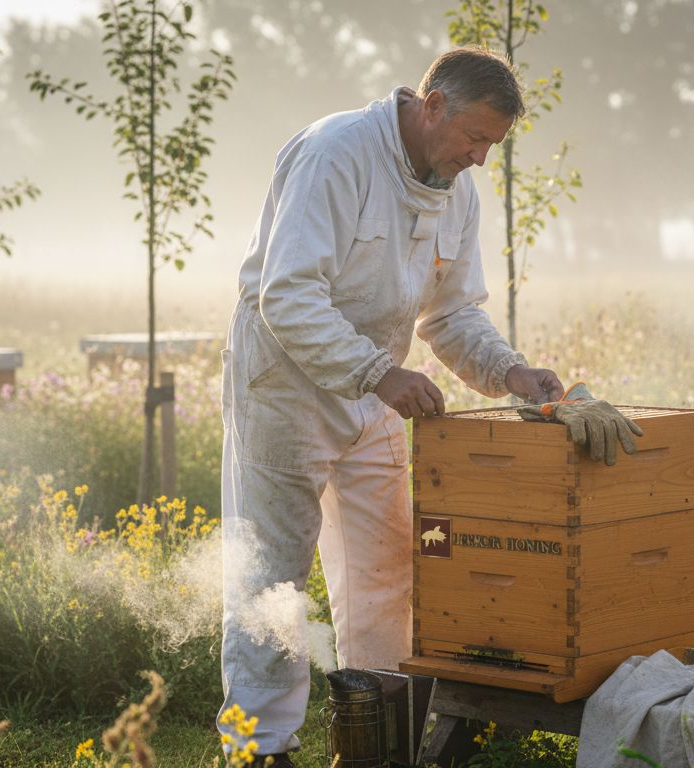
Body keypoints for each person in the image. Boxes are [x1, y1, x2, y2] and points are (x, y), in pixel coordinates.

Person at [218, 47, 565, 765]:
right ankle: (259, 747)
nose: (479, 156)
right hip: (284, 385)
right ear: (431, 104)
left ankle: (375, 740)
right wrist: (378, 372)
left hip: (375, 390)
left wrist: (510, 372)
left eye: (492, 145)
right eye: (475, 137)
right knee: (272, 572)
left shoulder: (456, 191)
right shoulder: (336, 153)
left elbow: (450, 314)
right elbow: (287, 294)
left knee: (387, 566)